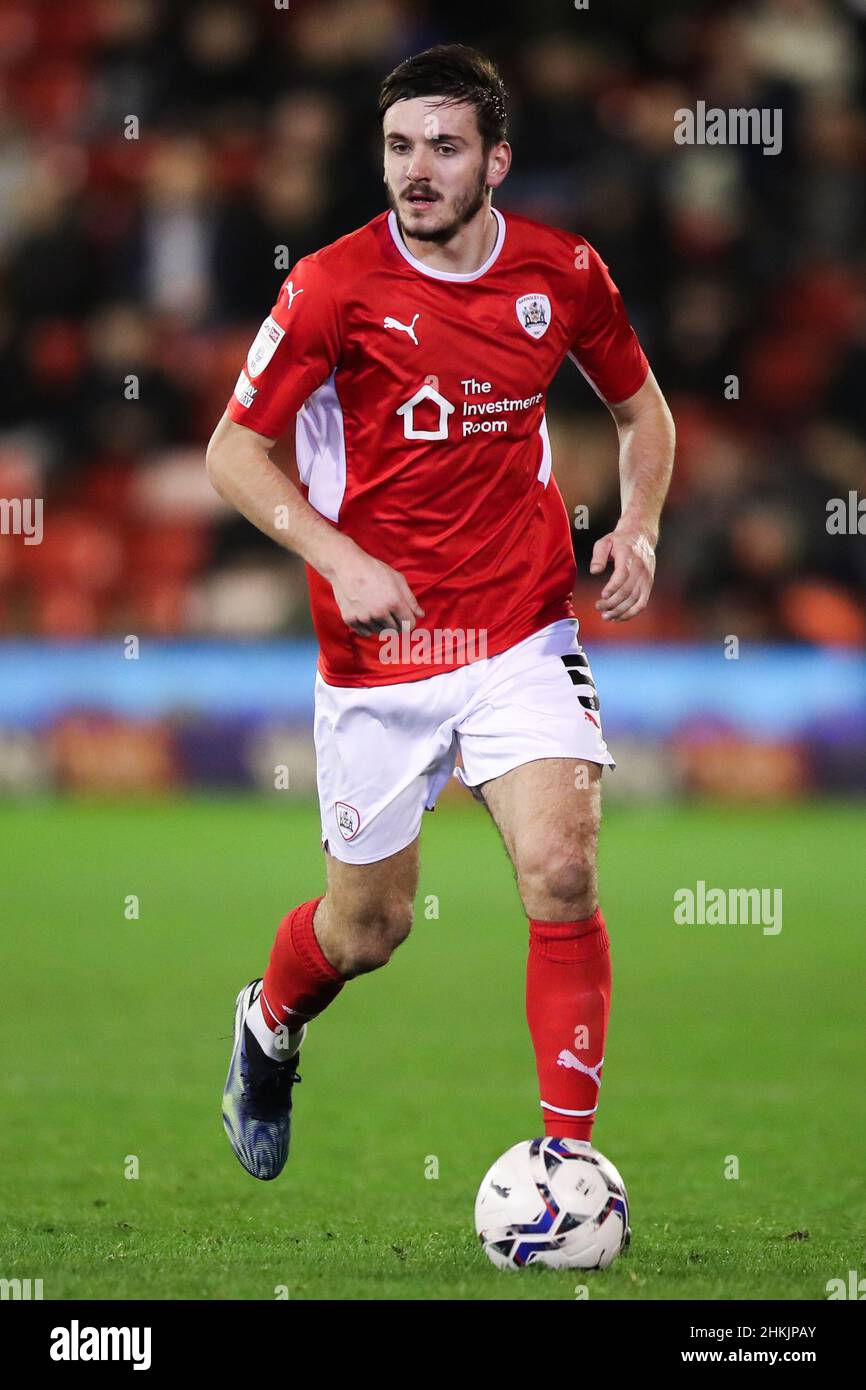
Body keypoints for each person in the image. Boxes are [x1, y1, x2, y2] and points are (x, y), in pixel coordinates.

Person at [207, 44, 675, 1183]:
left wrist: (640, 523)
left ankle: (566, 1167)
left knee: (560, 872)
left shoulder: (562, 274)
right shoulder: (329, 286)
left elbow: (641, 411)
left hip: (518, 626)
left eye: (444, 148)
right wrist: (338, 557)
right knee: (368, 928)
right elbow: (232, 451)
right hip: (378, 655)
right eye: (399, 147)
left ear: (495, 161)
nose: (417, 171)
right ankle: (268, 1023)